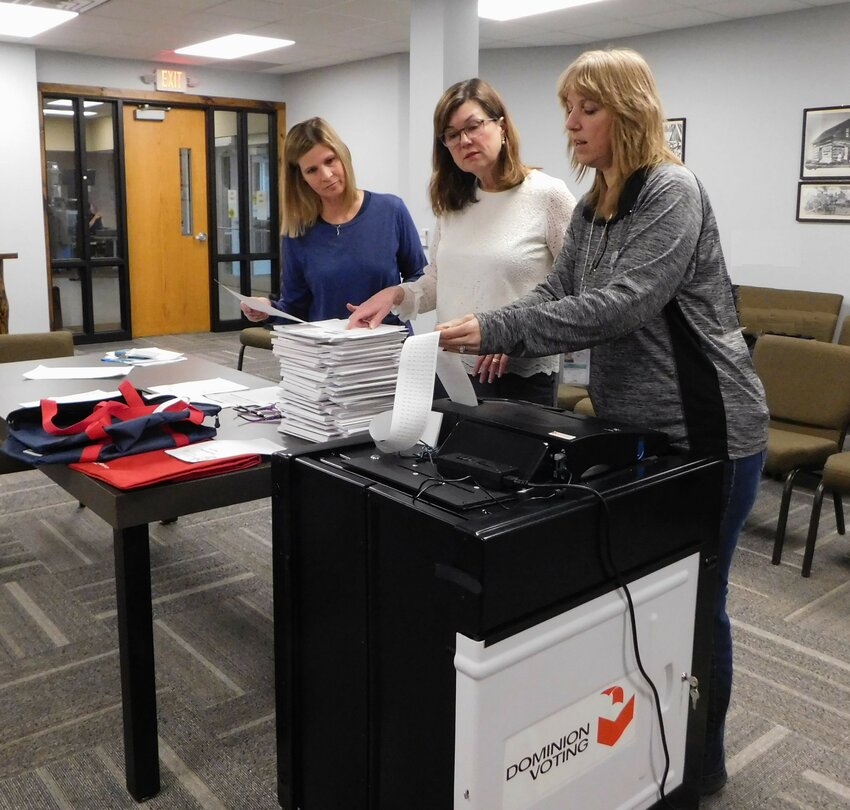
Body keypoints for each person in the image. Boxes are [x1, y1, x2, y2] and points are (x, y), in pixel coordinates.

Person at [436, 48, 769, 797]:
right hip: (628, 425)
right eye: (567, 110)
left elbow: (624, 303)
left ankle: (701, 763)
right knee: (643, 591)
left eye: (588, 109)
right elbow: (556, 290)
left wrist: (496, 330)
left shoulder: (671, 192)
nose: (571, 124)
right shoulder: (593, 204)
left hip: (709, 429)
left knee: (699, 597)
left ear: (629, 110)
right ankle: (640, 750)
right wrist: (487, 324)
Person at [346, 78, 575, 406]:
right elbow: (439, 282)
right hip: (451, 369)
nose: (464, 140)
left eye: (474, 126)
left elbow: (575, 288)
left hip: (517, 377)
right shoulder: (454, 204)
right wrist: (396, 294)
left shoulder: (547, 195)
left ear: (502, 126)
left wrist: (514, 335)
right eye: (452, 135)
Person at [240, 117, 426, 325]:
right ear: (301, 178)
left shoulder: (391, 210)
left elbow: (421, 278)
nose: (326, 175)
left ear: (343, 156)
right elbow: (294, 307)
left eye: (330, 161)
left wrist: (396, 294)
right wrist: (268, 308)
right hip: (329, 353)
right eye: (312, 170)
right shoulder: (298, 232)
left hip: (389, 347)